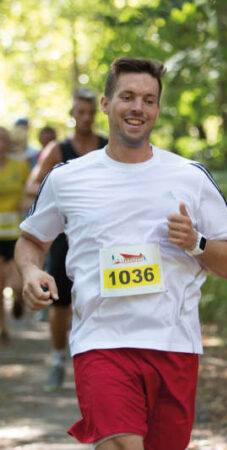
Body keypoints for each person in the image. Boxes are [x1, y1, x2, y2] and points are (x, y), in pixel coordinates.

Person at [16, 56, 227, 450]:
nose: (139, 107)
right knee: (121, 443)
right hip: (101, 342)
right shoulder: (69, 178)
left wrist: (196, 242)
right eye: (128, 96)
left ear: (157, 108)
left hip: (173, 345)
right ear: (106, 103)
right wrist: (31, 272)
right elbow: (32, 241)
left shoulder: (190, 176)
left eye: (149, 99)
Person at [24, 87, 108, 391]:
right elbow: (32, 187)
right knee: (60, 302)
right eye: (80, 112)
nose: (85, 118)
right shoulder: (58, 150)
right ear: (72, 115)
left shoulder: (107, 146)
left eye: (90, 113)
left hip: (101, 235)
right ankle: (58, 358)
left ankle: (101, 359)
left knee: (104, 295)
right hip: (64, 235)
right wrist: (65, 191)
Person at [0, 126, 30, 344]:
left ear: (9, 143)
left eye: (4, 140)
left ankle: (19, 300)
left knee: (18, 285)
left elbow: (32, 191)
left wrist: (27, 202)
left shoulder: (20, 167)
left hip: (15, 234)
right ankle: (3, 329)